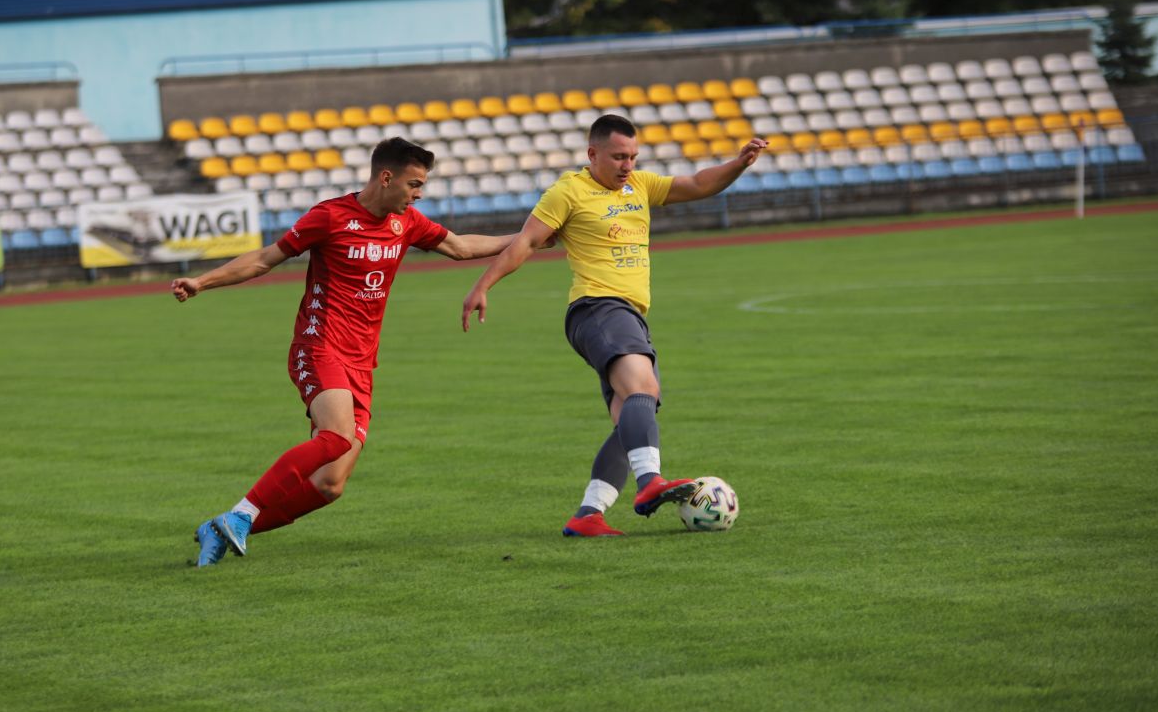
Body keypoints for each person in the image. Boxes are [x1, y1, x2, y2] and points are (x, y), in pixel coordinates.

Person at [174, 137, 526, 567]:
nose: (419, 194)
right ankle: (243, 514)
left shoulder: (408, 222)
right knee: (336, 436)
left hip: (362, 362)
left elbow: (462, 247)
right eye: (414, 184)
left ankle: (224, 526)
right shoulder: (330, 216)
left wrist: (530, 237)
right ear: (385, 177)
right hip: (319, 346)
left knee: (329, 484)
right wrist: (201, 282)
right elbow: (265, 259)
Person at [461, 114, 770, 537]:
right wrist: (483, 285)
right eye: (619, 156)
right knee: (643, 389)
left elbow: (699, 184)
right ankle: (650, 484)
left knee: (632, 416)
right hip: (597, 308)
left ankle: (588, 514)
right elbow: (527, 241)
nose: (627, 164)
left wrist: (739, 164)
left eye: (633, 156)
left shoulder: (639, 185)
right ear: (593, 154)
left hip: (629, 315)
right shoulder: (567, 191)